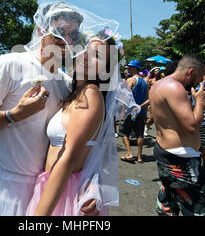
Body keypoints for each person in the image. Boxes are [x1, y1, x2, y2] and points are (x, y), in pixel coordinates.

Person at [0, 1, 107, 216]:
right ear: (41, 31)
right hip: (2, 189)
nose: (66, 40)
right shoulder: (11, 64)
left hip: (43, 193)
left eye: (73, 35)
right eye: (58, 32)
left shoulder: (67, 83)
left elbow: (79, 144)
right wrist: (12, 115)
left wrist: (90, 183)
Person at [26, 35, 128, 215]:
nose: (87, 56)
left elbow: (69, 157)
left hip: (65, 191)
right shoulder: (76, 92)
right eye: (86, 49)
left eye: (97, 55)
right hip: (55, 185)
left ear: (107, 69)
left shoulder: (91, 94)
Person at [149, 54, 205, 216]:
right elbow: (191, 125)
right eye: (198, 77)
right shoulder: (174, 88)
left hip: (171, 153)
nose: (199, 82)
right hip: (181, 160)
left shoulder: (159, 85)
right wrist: (201, 102)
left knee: (171, 204)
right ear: (190, 72)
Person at [119, 60, 149, 164]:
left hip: (130, 112)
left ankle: (129, 153)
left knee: (124, 132)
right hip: (140, 112)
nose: (128, 69)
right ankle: (140, 157)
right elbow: (148, 98)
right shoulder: (146, 81)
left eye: (130, 67)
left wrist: (123, 111)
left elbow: (125, 97)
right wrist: (142, 108)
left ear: (135, 69)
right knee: (140, 134)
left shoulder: (131, 80)